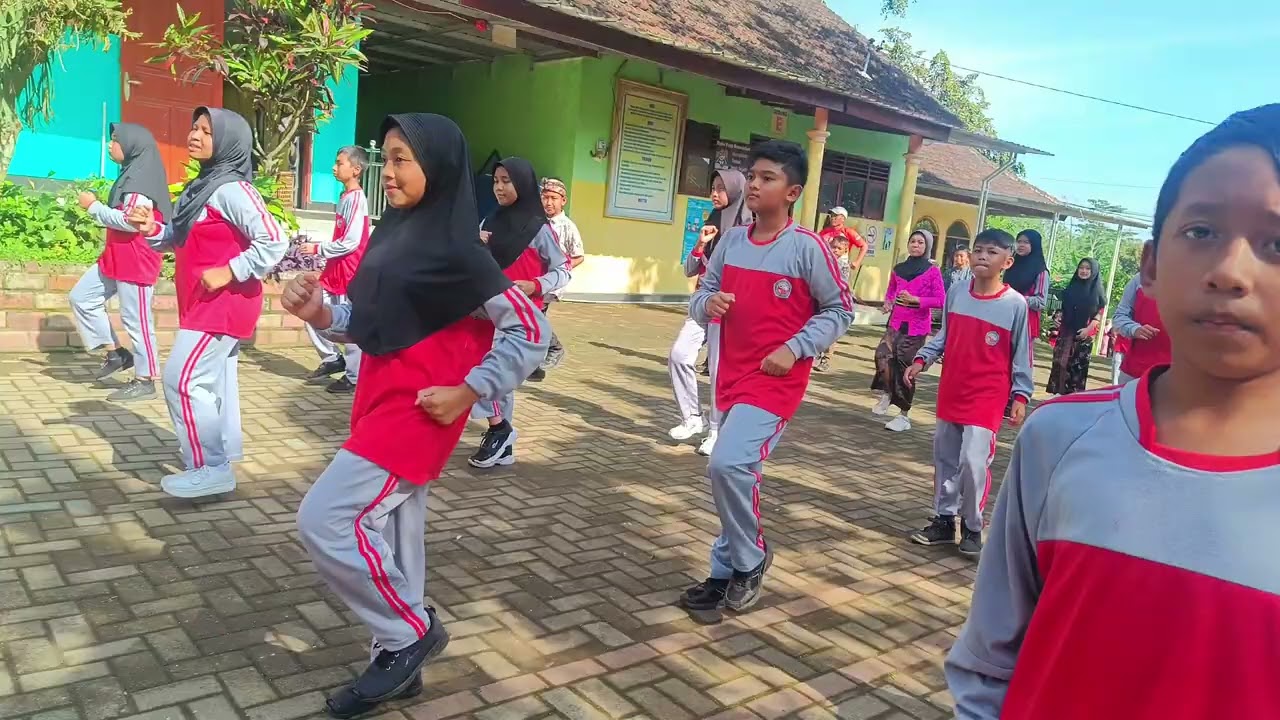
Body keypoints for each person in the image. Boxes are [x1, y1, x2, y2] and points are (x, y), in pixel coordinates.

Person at [944, 103, 1280, 720]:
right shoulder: (1060, 438)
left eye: (1277, 243)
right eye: (1201, 232)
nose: (1231, 271)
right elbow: (988, 666)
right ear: (1150, 266)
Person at [285, 114, 549, 719]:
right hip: (377, 397)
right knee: (397, 546)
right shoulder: (393, 233)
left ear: (441, 167)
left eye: (405, 159)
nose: (393, 171)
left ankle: (408, 635)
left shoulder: (461, 253)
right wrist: (321, 312)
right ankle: (396, 662)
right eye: (390, 157)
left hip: (418, 414)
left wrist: (469, 391)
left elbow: (531, 330)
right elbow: (371, 320)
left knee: (327, 520)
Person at [678, 141, 853, 621]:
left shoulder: (807, 248)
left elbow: (841, 310)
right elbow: (704, 292)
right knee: (737, 473)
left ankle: (751, 557)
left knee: (727, 465)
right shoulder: (731, 241)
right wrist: (705, 305)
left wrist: (794, 347)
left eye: (767, 178)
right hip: (728, 376)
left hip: (774, 382)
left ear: (792, 191)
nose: (754, 184)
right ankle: (723, 571)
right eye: (752, 176)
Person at [127, 108, 287, 499]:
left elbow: (275, 240)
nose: (194, 135)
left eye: (207, 131)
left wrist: (230, 270)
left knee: (181, 380)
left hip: (224, 302)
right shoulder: (203, 186)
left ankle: (210, 467)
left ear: (229, 142)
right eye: (194, 127)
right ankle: (222, 454)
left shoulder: (232, 188)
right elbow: (181, 238)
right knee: (214, 383)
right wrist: (151, 230)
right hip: (203, 301)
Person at [905, 228, 1032, 557]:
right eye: (978, 251)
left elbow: (1022, 356)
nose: (982, 258)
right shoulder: (957, 293)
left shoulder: (1015, 305)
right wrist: (922, 359)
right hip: (952, 391)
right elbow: (944, 336)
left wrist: (1021, 395)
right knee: (945, 459)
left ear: (1008, 260)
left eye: (992, 252)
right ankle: (944, 521)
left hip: (987, 397)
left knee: (973, 463)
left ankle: (973, 526)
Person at [467, 158, 570, 469]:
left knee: (494, 376)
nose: (499, 187)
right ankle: (502, 441)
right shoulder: (489, 222)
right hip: (487, 313)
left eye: (506, 181)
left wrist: (535, 285)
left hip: (520, 319)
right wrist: (477, 245)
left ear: (523, 185)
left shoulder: (539, 228)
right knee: (493, 376)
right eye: (496, 181)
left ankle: (500, 433)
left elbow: (563, 270)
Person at [71, 123, 171, 402]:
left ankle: (146, 378)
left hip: (136, 261)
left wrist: (93, 206)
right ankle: (116, 353)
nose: (110, 145)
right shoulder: (131, 175)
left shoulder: (140, 182)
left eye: (115, 141)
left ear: (132, 146)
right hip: (115, 258)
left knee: (137, 322)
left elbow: (131, 223)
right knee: (82, 297)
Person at [668, 169, 751, 457]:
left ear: (736, 192)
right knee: (679, 355)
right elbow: (691, 270)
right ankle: (693, 418)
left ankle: (717, 431)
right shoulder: (711, 224)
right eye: (712, 188)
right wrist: (702, 243)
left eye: (720, 188)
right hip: (702, 304)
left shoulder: (747, 231)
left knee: (718, 372)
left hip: (727, 310)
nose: (714, 194)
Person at [301, 145, 372, 395]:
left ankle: (354, 377)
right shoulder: (345, 197)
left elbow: (351, 241)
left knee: (350, 323)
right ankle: (332, 358)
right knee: (310, 311)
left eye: (340, 163)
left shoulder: (356, 200)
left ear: (356, 169)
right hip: (335, 270)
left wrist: (318, 249)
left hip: (350, 272)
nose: (334, 167)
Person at [871, 229, 946, 432]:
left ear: (927, 246)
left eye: (920, 242)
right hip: (895, 323)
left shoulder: (932, 271)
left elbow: (941, 300)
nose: (915, 245)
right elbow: (891, 290)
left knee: (906, 369)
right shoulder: (899, 268)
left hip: (917, 328)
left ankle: (903, 415)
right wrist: (888, 302)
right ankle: (887, 393)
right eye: (913, 241)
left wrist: (918, 301)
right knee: (882, 356)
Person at [538, 177, 585, 374]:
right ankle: (535, 358)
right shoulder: (537, 222)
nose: (548, 202)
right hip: (535, 279)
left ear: (563, 200)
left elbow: (578, 256)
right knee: (534, 316)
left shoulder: (567, 226)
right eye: (545, 197)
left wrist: (561, 270)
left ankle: (554, 347)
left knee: (535, 316)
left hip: (551, 282)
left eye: (553, 198)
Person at [1045, 258, 1106, 395]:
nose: (1084, 271)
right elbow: (1062, 308)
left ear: (1094, 271)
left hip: (1083, 334)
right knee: (1060, 363)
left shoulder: (1097, 292)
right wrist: (1057, 318)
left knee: (1076, 368)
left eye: (1087, 269)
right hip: (1066, 331)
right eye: (1081, 268)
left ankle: (1072, 397)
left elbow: (1098, 314)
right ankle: (1058, 394)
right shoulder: (1070, 288)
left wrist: (1088, 329)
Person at [1111, 272, 1170, 384]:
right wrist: (1134, 329)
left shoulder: (1198, 282)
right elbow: (1119, 316)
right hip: (1135, 372)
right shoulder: (1140, 280)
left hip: (1176, 377)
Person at [814, 233, 853, 373]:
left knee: (831, 331)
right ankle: (817, 353)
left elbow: (841, 284)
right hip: (820, 299)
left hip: (834, 302)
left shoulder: (843, 266)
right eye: (833, 247)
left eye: (838, 248)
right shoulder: (824, 261)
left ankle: (826, 359)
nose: (835, 250)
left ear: (845, 250)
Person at [819, 206, 867, 271]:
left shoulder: (848, 232)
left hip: (840, 269)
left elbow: (864, 246)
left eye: (836, 216)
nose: (833, 218)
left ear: (843, 219)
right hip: (824, 266)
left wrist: (857, 262)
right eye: (832, 215)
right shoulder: (824, 232)